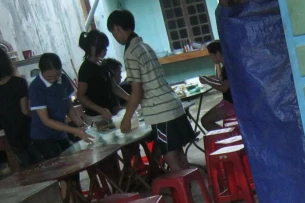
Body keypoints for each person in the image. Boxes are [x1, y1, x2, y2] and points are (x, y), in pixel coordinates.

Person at [106, 9, 191, 171]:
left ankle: (184, 191)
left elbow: (137, 92)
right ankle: (192, 185)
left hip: (160, 111)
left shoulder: (131, 53)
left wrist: (126, 119)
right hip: (172, 103)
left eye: (113, 33)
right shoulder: (145, 46)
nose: (115, 38)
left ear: (117, 28)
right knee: (178, 152)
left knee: (170, 155)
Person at [28, 53, 91, 162]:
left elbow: (69, 107)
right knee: (61, 167)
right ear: (41, 71)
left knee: (73, 163)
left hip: (61, 131)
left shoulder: (63, 79)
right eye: (49, 77)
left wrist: (81, 124)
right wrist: (75, 130)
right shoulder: (36, 88)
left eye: (56, 75)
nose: (53, 79)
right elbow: (46, 120)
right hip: (44, 136)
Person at [77, 30, 129, 122]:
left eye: (105, 47)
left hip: (110, 113)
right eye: (102, 47)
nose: (105, 50)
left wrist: (131, 98)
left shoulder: (104, 64)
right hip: (96, 116)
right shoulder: (85, 69)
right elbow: (81, 96)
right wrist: (100, 110)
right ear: (92, 47)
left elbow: (114, 87)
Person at [0, 49, 32, 168]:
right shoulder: (19, 82)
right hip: (28, 131)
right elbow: (25, 111)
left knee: (28, 170)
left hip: (12, 136)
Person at [198, 40, 236, 131]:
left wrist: (207, 81)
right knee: (205, 119)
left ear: (218, 53)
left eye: (211, 55)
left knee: (205, 121)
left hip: (233, 104)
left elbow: (224, 87)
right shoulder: (227, 65)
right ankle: (227, 135)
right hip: (228, 101)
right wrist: (208, 79)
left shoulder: (227, 68)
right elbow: (222, 82)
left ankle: (228, 137)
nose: (211, 59)